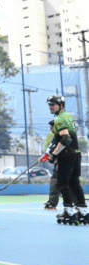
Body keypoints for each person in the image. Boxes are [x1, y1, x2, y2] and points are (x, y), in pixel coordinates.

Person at [46, 95, 86, 224]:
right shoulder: (68, 116)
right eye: (49, 104)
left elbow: (65, 139)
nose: (50, 107)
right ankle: (83, 210)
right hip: (76, 154)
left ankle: (69, 210)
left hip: (66, 155)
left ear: (61, 105)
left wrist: (54, 154)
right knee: (74, 182)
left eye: (53, 104)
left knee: (62, 183)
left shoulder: (60, 119)